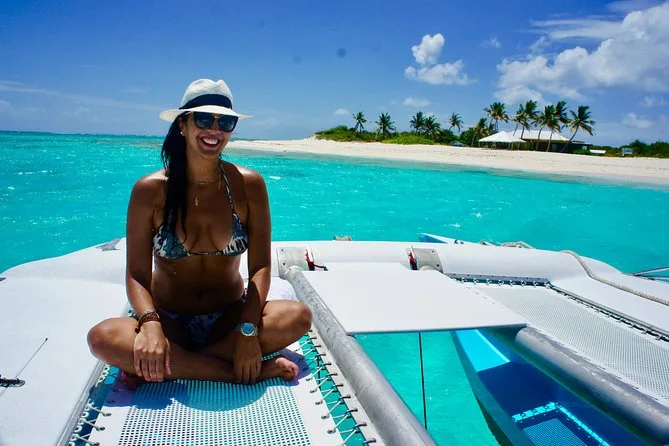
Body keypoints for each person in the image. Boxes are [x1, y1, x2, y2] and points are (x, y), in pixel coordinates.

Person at [88, 79, 312, 385]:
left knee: (298, 317)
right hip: (167, 320)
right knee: (102, 338)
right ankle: (233, 371)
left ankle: (174, 364)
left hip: (229, 319)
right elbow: (137, 275)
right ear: (183, 124)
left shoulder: (249, 186)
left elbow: (260, 267)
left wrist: (247, 329)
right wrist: (150, 325)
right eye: (204, 119)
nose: (215, 130)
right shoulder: (150, 191)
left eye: (226, 122)